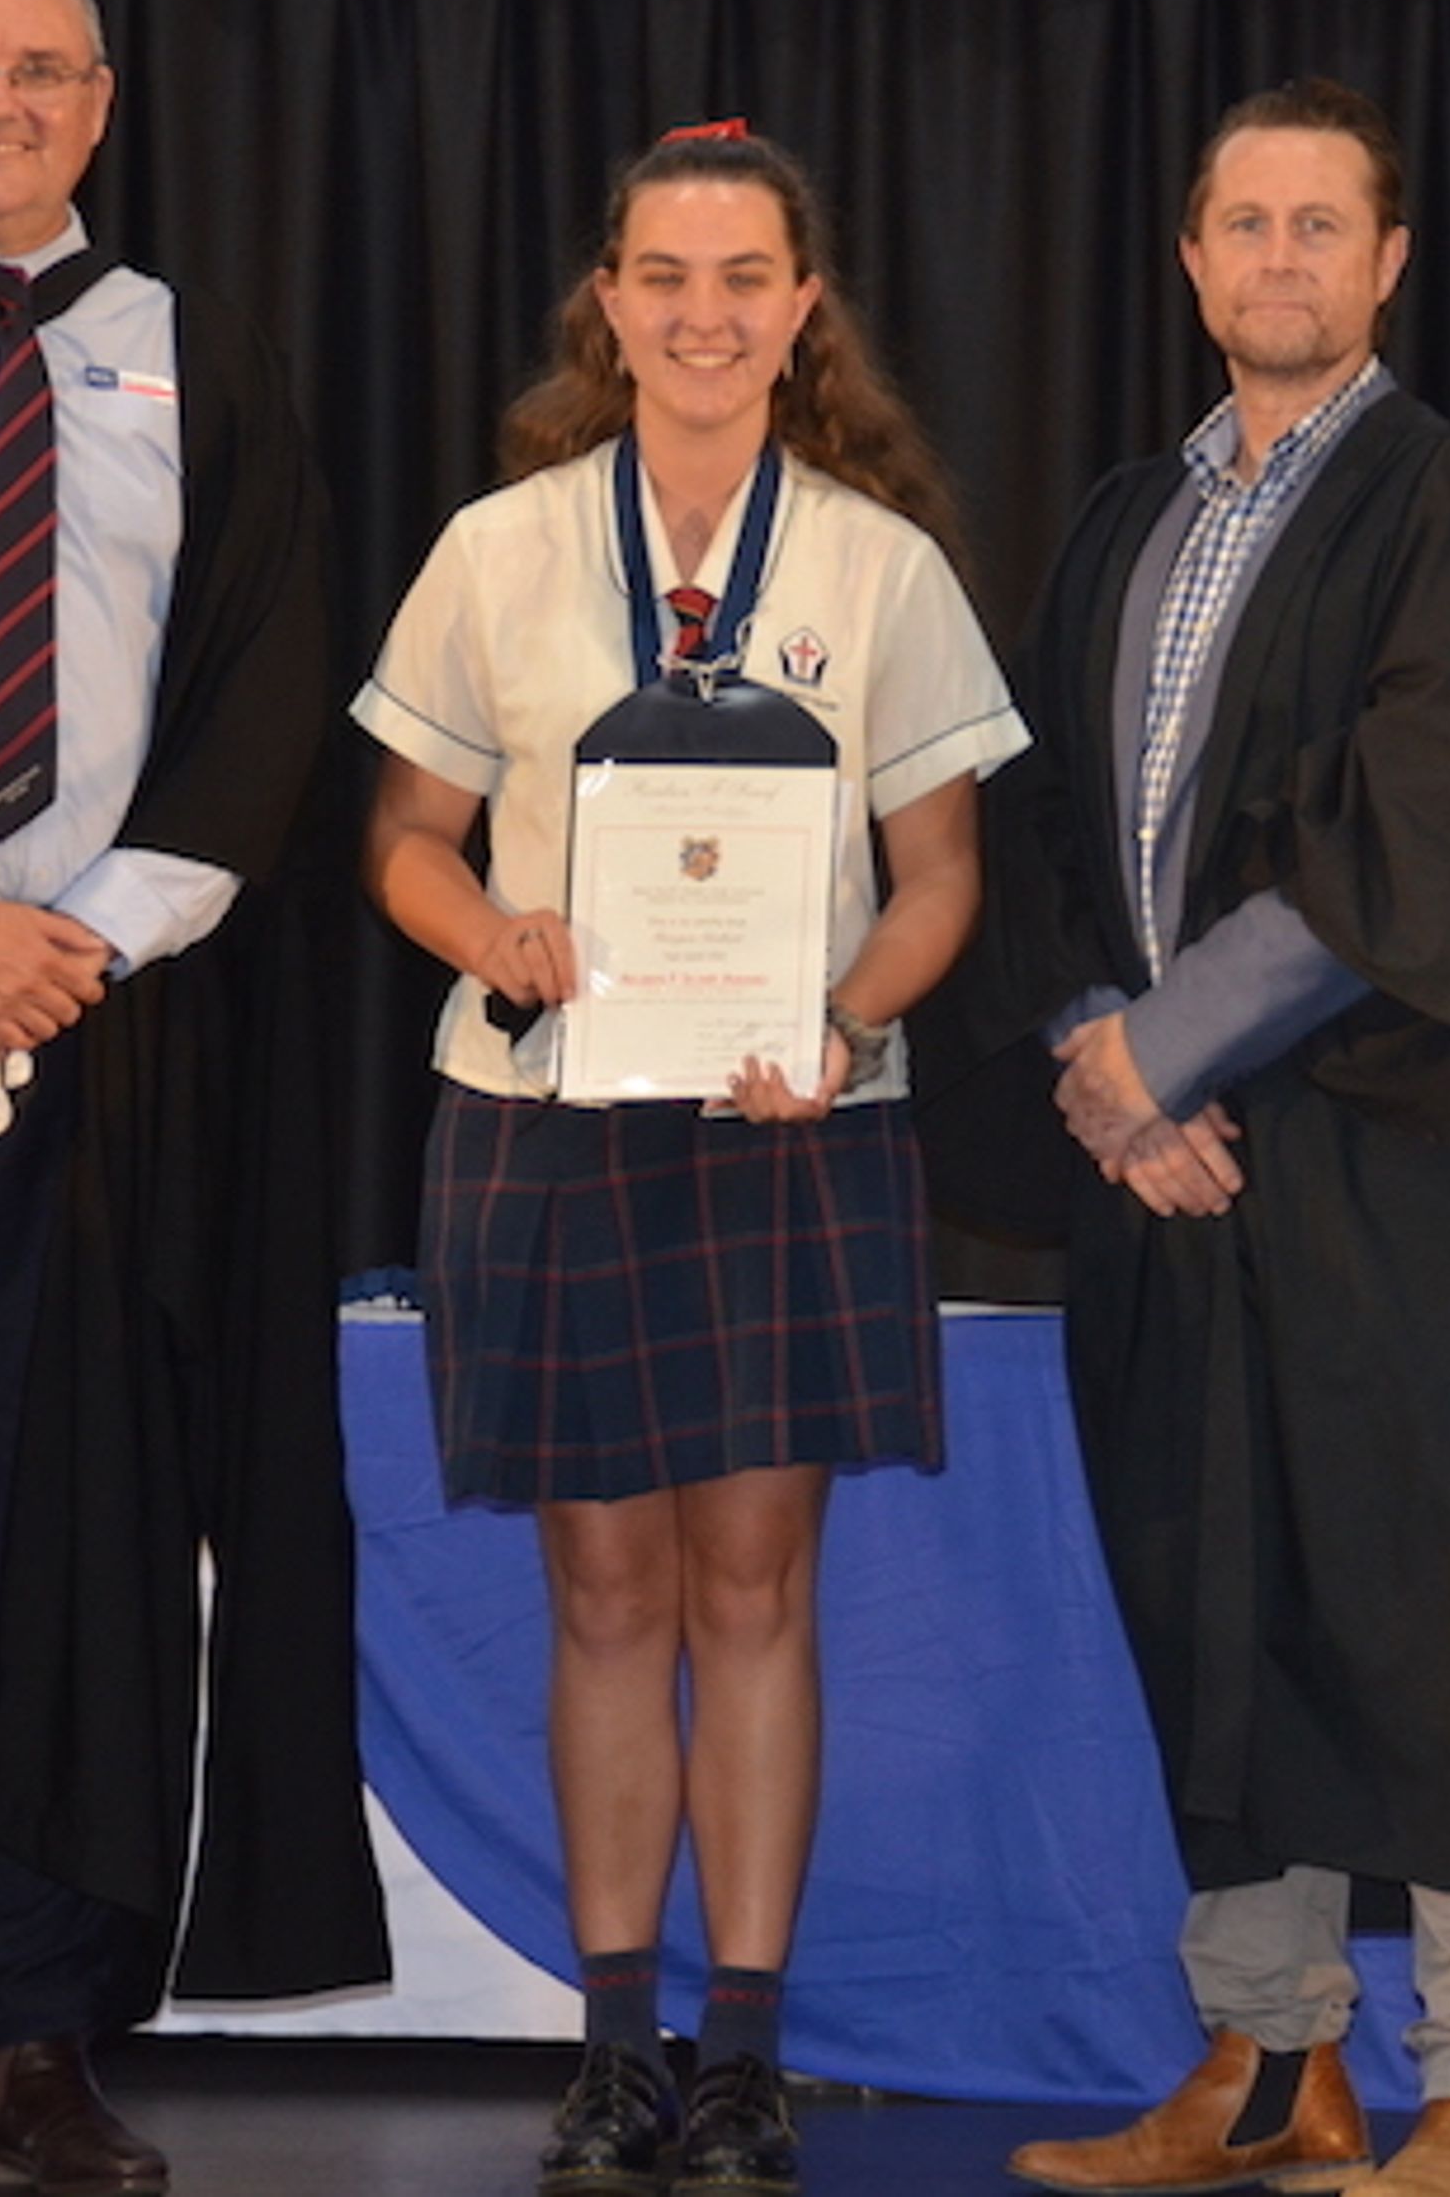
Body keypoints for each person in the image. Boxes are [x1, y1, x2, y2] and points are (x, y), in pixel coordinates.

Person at [987, 80, 1450, 2197]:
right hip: (1181, 1169)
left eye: (1320, 224)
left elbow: (1429, 826)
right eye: (1244, 222)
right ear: (1191, 261)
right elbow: (1045, 824)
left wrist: (1161, 1054)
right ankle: (1272, 2067)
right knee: (1218, 1604)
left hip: (1429, 1154)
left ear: (1386, 264)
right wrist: (1103, 1061)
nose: (1277, 256)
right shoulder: (1126, 517)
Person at [355, 124, 1027, 2197]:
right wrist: (492, 936)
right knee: (600, 1587)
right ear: (611, 302)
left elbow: (940, 877)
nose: (703, 313)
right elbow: (405, 841)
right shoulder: (497, 549)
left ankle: (742, 2056)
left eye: (744, 276)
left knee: (754, 1586)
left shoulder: (879, 565)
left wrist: (846, 1019)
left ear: (801, 305)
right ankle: (613, 2048)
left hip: (789, 1127)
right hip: (548, 1122)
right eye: (664, 275)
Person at [0, 0, 388, 2193]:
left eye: (44, 70)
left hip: (120, 1030)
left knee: (70, 1536)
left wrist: (62, 946)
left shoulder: (201, 352)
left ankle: (30, 2033)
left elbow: (270, 679)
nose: (2, 100)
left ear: (100, 103)